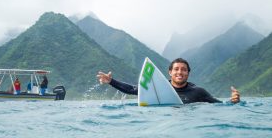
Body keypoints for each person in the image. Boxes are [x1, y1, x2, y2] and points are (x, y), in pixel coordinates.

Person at [97, 58, 240, 104]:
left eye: (184, 69)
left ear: (188, 74)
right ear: (170, 72)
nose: (180, 72)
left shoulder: (198, 92)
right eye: (176, 69)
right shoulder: (158, 87)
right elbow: (132, 89)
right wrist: (111, 81)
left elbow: (219, 105)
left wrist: (233, 101)